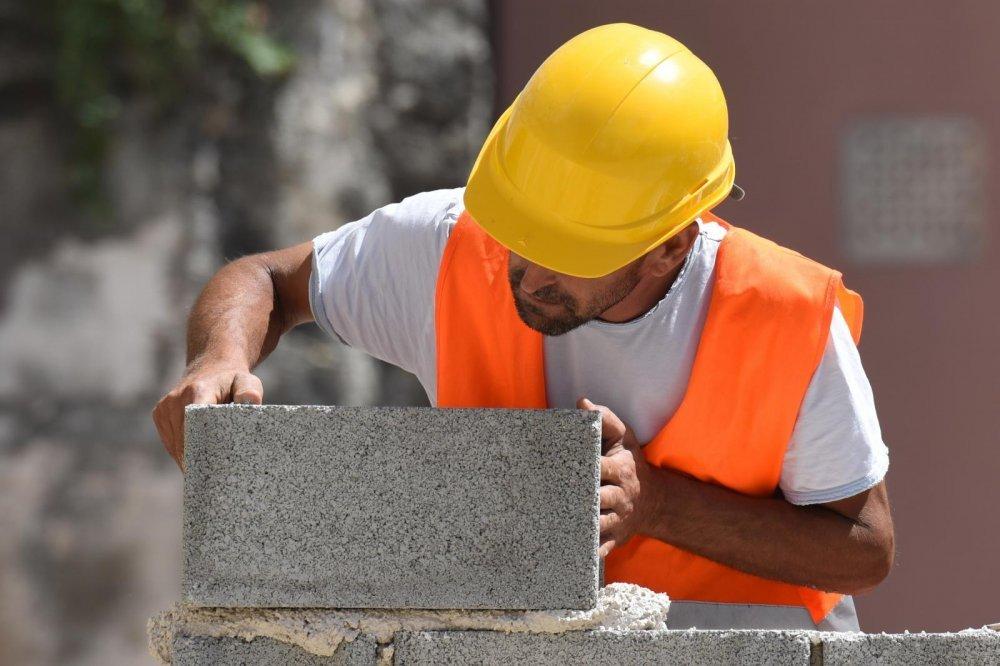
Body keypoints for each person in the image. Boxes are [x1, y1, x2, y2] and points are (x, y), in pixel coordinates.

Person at [153, 23, 893, 631]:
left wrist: (661, 505)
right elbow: (266, 281)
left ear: (672, 242)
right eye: (520, 233)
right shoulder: (448, 243)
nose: (527, 273)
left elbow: (866, 551)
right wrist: (217, 357)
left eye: (569, 255)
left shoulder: (785, 315)